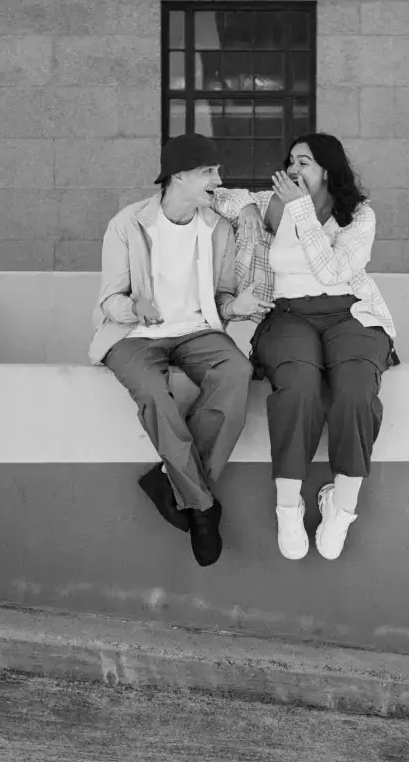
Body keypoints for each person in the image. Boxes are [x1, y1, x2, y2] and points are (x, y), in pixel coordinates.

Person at [212, 134, 398, 562]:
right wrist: (247, 208)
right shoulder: (272, 204)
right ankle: (288, 507)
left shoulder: (358, 216)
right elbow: (217, 195)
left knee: (356, 389)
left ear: (328, 170)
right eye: (290, 161)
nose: (293, 170)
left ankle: (342, 506)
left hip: (351, 313)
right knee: (297, 386)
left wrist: (301, 212)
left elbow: (332, 271)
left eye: (305, 162)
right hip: (288, 314)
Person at [90, 133, 264, 567]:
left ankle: (172, 480)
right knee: (153, 391)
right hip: (134, 335)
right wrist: (134, 307)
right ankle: (202, 509)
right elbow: (109, 300)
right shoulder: (127, 224)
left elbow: (222, 297)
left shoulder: (218, 227)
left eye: (217, 171)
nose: (218, 180)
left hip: (197, 331)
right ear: (178, 176)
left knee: (236, 372)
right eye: (209, 171)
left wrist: (236, 307)